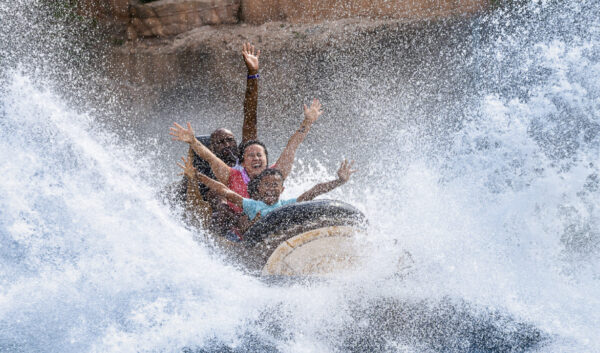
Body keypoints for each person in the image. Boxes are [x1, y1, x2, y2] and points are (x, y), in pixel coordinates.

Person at [170, 98, 324, 215]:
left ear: (266, 159)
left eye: (259, 155)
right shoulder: (232, 176)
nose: (256, 158)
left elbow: (292, 146)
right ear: (242, 162)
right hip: (242, 228)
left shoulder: (276, 174)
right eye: (251, 155)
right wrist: (193, 141)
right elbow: (211, 158)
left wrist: (308, 122)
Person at [176, 42, 261, 231]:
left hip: (251, 209)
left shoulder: (245, 157)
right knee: (219, 199)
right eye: (220, 142)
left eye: (230, 140)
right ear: (212, 149)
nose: (227, 145)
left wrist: (252, 75)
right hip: (221, 210)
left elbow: (250, 117)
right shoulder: (211, 167)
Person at [177, 158, 357, 234]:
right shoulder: (252, 205)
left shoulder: (288, 205)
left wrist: (339, 181)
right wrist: (197, 175)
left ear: (282, 189)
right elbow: (225, 191)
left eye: (275, 185)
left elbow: (314, 191)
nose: (271, 188)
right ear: (258, 189)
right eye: (267, 185)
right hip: (259, 240)